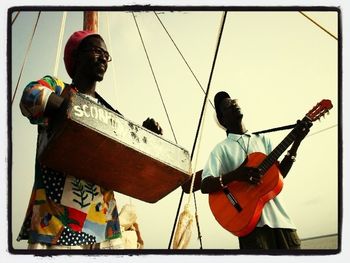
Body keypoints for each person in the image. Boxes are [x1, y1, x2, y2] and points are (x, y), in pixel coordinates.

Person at [17, 30, 162, 249]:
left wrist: (143, 135)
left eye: (106, 54)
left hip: (103, 226)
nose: (104, 57)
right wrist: (69, 107)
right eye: (96, 51)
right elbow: (30, 96)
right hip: (57, 225)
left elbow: (124, 158)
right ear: (76, 56)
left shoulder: (109, 112)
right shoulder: (59, 88)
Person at [201, 91, 311, 250]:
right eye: (227, 106)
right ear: (222, 119)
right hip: (251, 228)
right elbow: (205, 185)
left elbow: (279, 176)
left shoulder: (262, 139)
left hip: (283, 222)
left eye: (233, 101)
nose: (233, 104)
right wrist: (237, 175)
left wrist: (296, 143)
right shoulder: (220, 150)